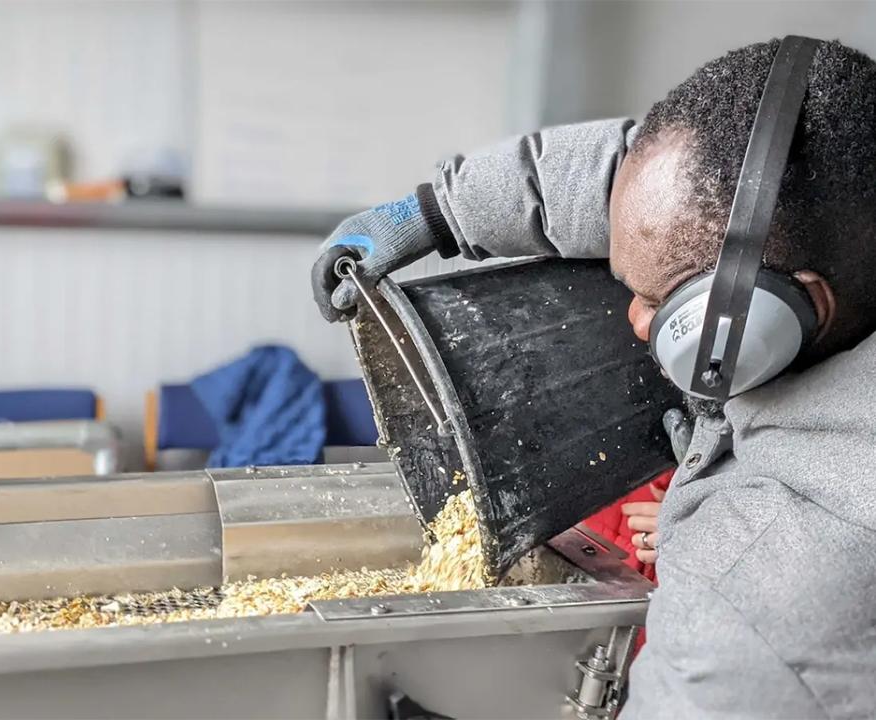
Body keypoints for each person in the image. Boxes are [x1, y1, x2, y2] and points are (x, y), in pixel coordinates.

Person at [311, 38, 876, 718]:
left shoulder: (759, 592)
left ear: (798, 306)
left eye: (660, 302)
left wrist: (711, 504)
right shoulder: (832, 184)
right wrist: (440, 212)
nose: (635, 322)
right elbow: (654, 169)